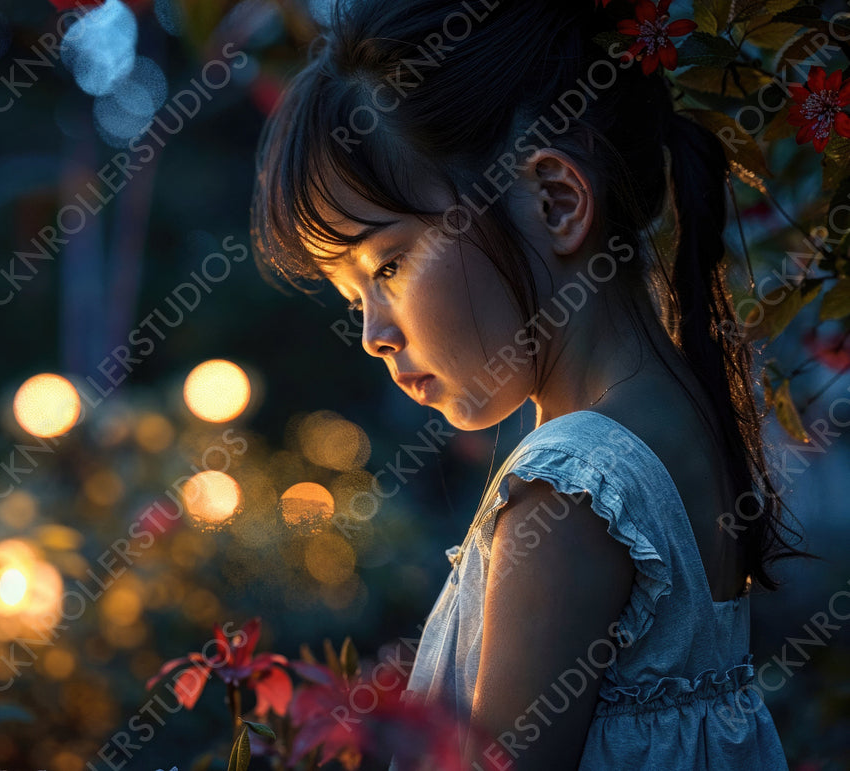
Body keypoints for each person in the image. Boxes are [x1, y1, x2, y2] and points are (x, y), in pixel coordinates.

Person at [249, 1, 809, 768]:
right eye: (353, 298)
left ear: (556, 201)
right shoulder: (678, 412)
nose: (373, 334)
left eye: (386, 264)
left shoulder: (573, 490)